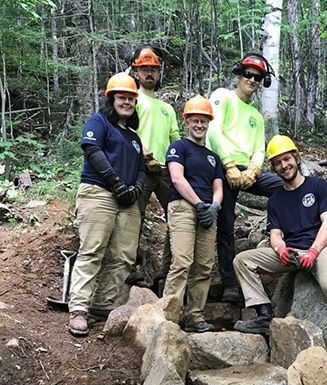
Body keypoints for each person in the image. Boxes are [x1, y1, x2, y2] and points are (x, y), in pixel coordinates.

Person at [233, 135, 327, 378]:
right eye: (277, 163)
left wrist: (314, 251)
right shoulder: (276, 199)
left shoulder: (317, 186)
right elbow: (275, 234)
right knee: (243, 260)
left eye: (287, 159)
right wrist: (280, 249)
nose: (284, 166)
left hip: (321, 249)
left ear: (296, 158)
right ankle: (264, 314)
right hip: (292, 253)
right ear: (273, 167)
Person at [68, 73, 145, 336]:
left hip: (126, 200)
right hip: (99, 191)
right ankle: (78, 308)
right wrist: (114, 181)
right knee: (92, 250)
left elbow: (141, 169)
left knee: (124, 255)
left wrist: (135, 188)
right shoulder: (98, 122)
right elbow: (92, 150)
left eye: (131, 98)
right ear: (110, 99)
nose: (126, 102)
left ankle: (101, 307)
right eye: (121, 97)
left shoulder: (134, 137)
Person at [206, 53, 284, 303]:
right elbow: (213, 129)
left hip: (247, 170)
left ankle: (280, 235)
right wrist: (228, 165)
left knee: (284, 187)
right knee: (226, 225)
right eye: (248, 74)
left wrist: (254, 170)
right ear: (239, 75)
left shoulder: (257, 117)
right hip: (222, 165)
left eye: (257, 77)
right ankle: (229, 281)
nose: (252, 79)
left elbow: (260, 148)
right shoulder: (222, 97)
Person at [163, 95, 223, 333]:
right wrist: (199, 204)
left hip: (208, 211)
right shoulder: (179, 147)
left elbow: (218, 188)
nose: (199, 125)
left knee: (204, 266)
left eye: (203, 121)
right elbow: (177, 178)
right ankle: (169, 315)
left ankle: (195, 316)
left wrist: (214, 207)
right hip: (184, 206)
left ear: (208, 123)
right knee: (182, 261)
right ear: (186, 121)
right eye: (195, 120)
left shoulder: (213, 157)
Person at [131, 46, 180, 290]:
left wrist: (178, 165)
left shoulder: (167, 108)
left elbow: (175, 140)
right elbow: (125, 129)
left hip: (165, 170)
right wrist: (143, 153)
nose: (149, 73)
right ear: (136, 72)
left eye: (153, 70)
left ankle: (166, 269)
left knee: (177, 217)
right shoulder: (132, 99)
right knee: (133, 218)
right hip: (139, 168)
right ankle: (132, 268)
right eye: (145, 69)